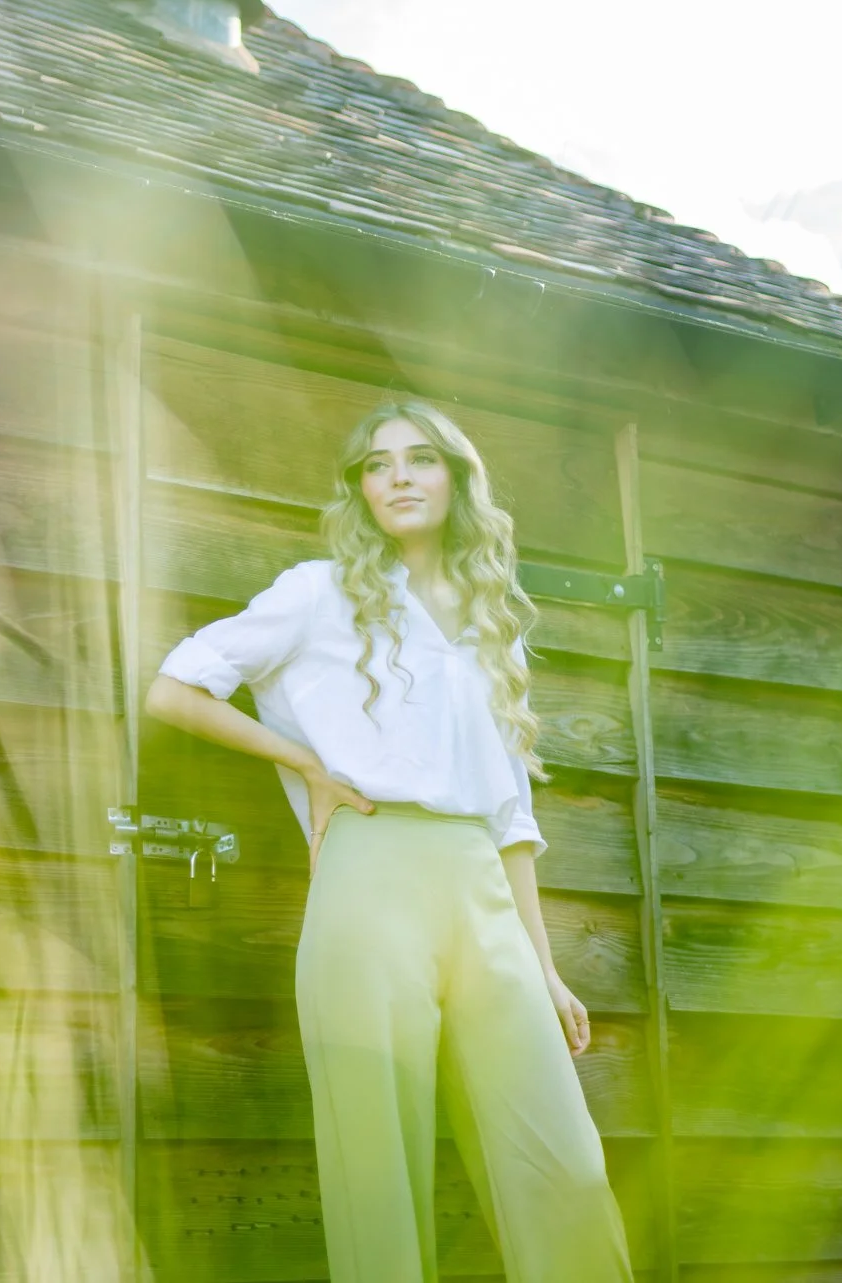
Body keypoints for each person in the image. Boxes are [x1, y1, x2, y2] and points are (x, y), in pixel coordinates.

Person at [144, 400, 633, 1283]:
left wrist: (545, 963)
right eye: (376, 465)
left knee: (567, 1165)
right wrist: (305, 763)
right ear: (359, 489)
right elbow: (175, 689)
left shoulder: (494, 624)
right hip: (369, 875)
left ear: (458, 477)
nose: (398, 476)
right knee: (378, 1165)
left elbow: (511, 814)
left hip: (480, 888)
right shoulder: (318, 591)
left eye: (419, 458)